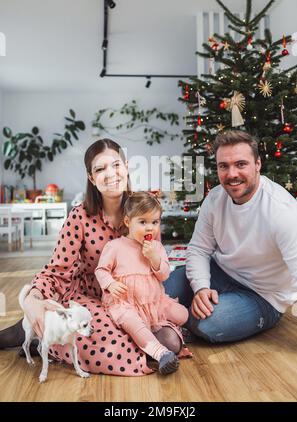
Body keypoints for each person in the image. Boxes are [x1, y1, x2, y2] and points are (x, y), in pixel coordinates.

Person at [0, 139, 182, 376]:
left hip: (137, 299)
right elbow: (56, 269)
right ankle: (44, 337)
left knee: (170, 342)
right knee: (114, 347)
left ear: (126, 167)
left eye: (116, 165)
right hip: (91, 297)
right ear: (91, 177)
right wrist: (33, 298)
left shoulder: (143, 210)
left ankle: (45, 336)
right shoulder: (80, 216)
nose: (111, 174)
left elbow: (160, 266)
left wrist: (155, 259)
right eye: (100, 169)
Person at [164, 130, 297, 343]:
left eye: (241, 164)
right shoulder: (215, 198)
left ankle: (165, 322)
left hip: (262, 295)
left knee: (210, 323)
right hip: (220, 272)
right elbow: (199, 249)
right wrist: (201, 287)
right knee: (161, 290)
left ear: (257, 164)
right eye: (223, 166)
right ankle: (166, 320)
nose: (232, 174)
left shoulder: (282, 212)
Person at [95, 192, 189, 375]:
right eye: (143, 222)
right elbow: (101, 270)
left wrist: (154, 258)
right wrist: (110, 284)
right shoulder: (115, 247)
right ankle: (161, 354)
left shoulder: (157, 247)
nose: (150, 228)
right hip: (125, 302)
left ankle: (180, 331)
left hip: (153, 301)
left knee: (182, 313)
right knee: (132, 321)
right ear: (128, 222)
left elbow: (163, 276)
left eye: (155, 222)